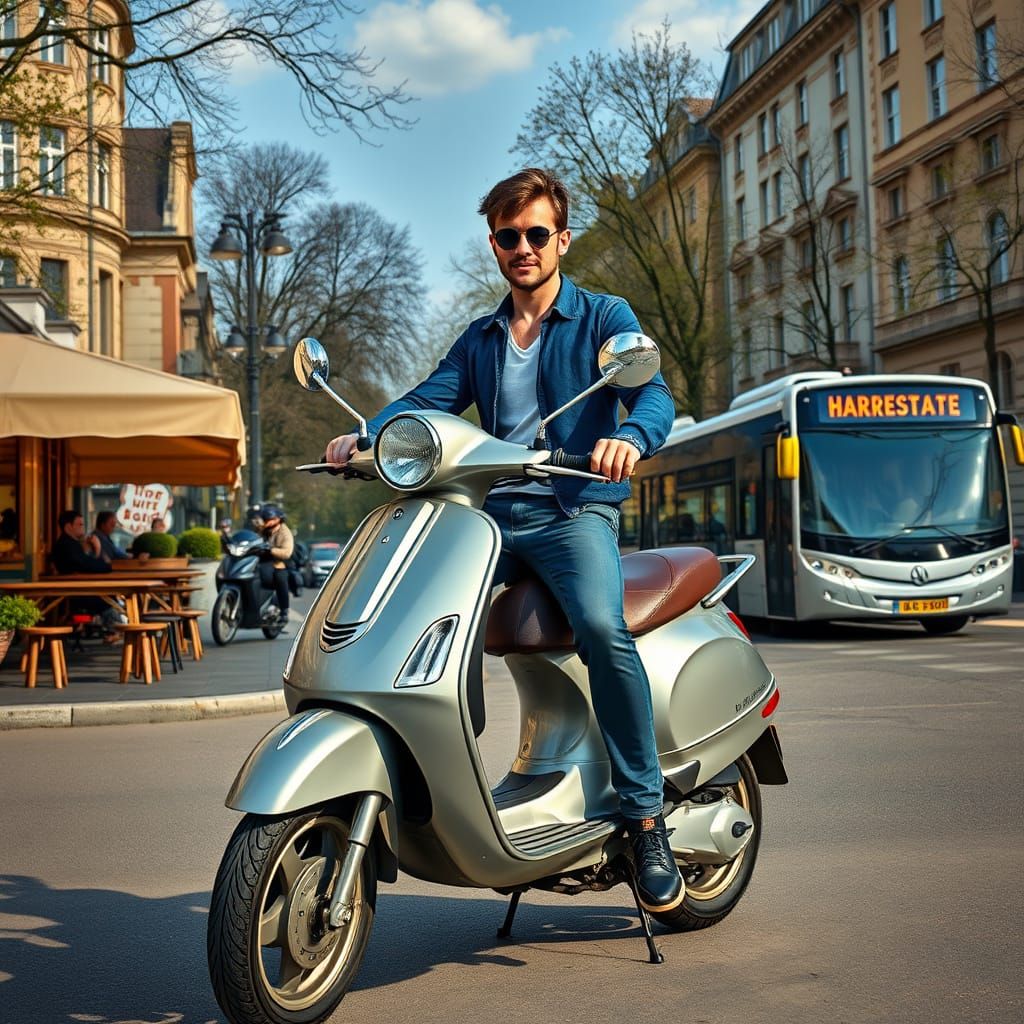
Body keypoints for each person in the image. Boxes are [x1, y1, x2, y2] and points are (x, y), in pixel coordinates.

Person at [324, 168, 681, 912]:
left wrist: (629, 439)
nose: (523, 247)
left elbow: (650, 392)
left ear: (562, 240)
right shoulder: (482, 336)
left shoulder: (601, 316)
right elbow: (424, 402)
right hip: (490, 513)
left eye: (536, 234)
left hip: (572, 507)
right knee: (416, 616)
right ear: (494, 245)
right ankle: (445, 784)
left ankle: (645, 817)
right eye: (508, 236)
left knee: (598, 628)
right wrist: (365, 436)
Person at [259, 503, 294, 624]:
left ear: (278, 519)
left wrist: (271, 550)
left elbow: (287, 552)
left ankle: (284, 611)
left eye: (270, 519)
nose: (267, 522)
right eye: (265, 519)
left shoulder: (285, 533)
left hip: (279, 563)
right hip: (262, 561)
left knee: (281, 578)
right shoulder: (263, 530)